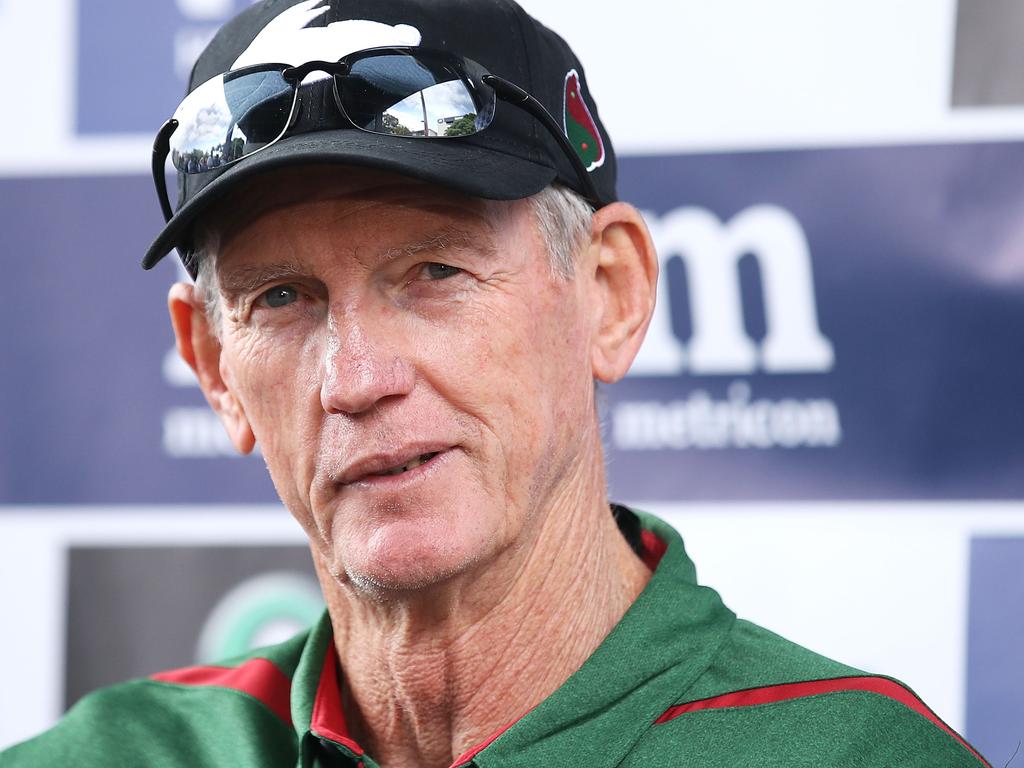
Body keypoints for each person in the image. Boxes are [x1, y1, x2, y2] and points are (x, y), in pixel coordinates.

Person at [1, 1, 992, 766]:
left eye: (434, 273)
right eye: (284, 297)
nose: (356, 378)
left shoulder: (857, 754)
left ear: (609, 293)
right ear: (213, 366)